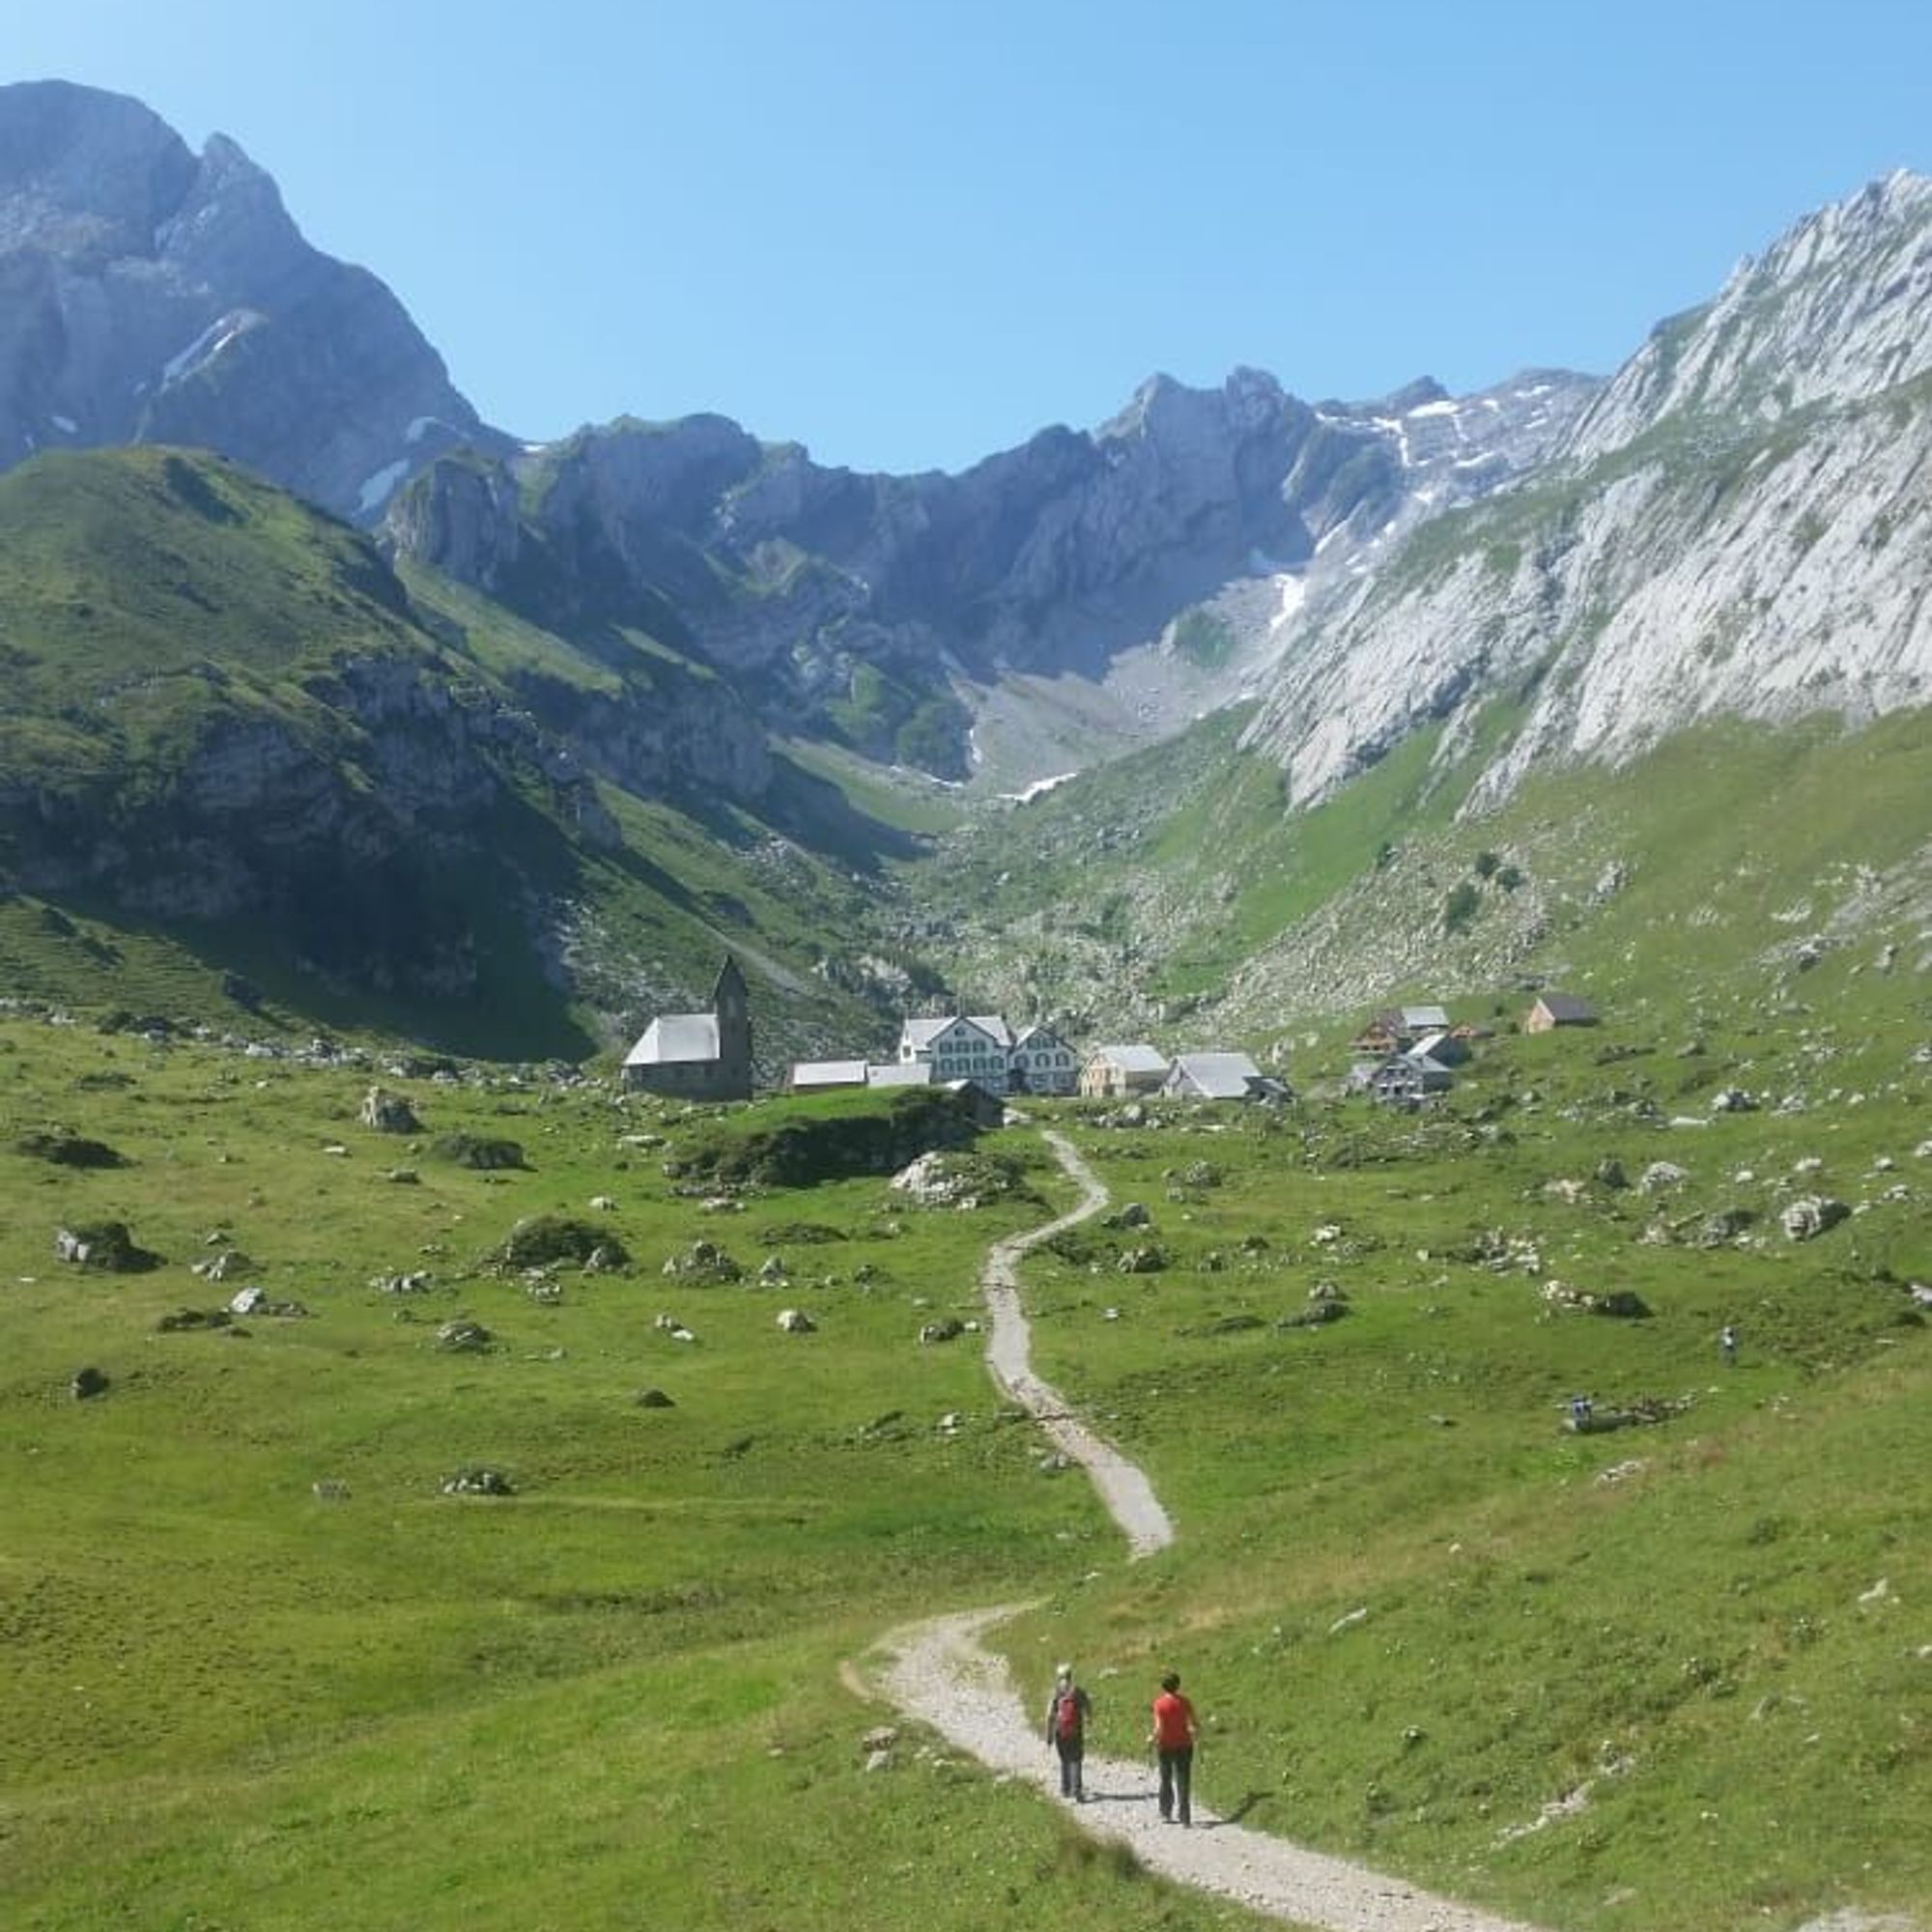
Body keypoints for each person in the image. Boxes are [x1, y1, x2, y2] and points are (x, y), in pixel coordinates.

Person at [1147, 1669, 1200, 1825]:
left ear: (1163, 1686)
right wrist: (1194, 1730)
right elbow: (1194, 1723)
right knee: (1183, 1780)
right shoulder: (1185, 1702)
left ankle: (1166, 1812)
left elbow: (1159, 1728)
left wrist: (1151, 1738)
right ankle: (1185, 1817)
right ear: (1178, 1685)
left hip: (1165, 1746)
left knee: (1166, 1778)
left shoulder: (1159, 1704)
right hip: (1184, 1745)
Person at [1044, 1662, 1092, 1800]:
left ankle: (1065, 1789)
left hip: (1061, 1732)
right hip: (1076, 1731)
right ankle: (1076, 1789)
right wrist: (1089, 1719)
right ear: (1070, 1675)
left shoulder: (1056, 1693)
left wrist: (1049, 1736)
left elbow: (1049, 1716)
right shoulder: (1077, 1691)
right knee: (1076, 1759)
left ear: (1058, 1677)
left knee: (1064, 1759)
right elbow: (1087, 1707)